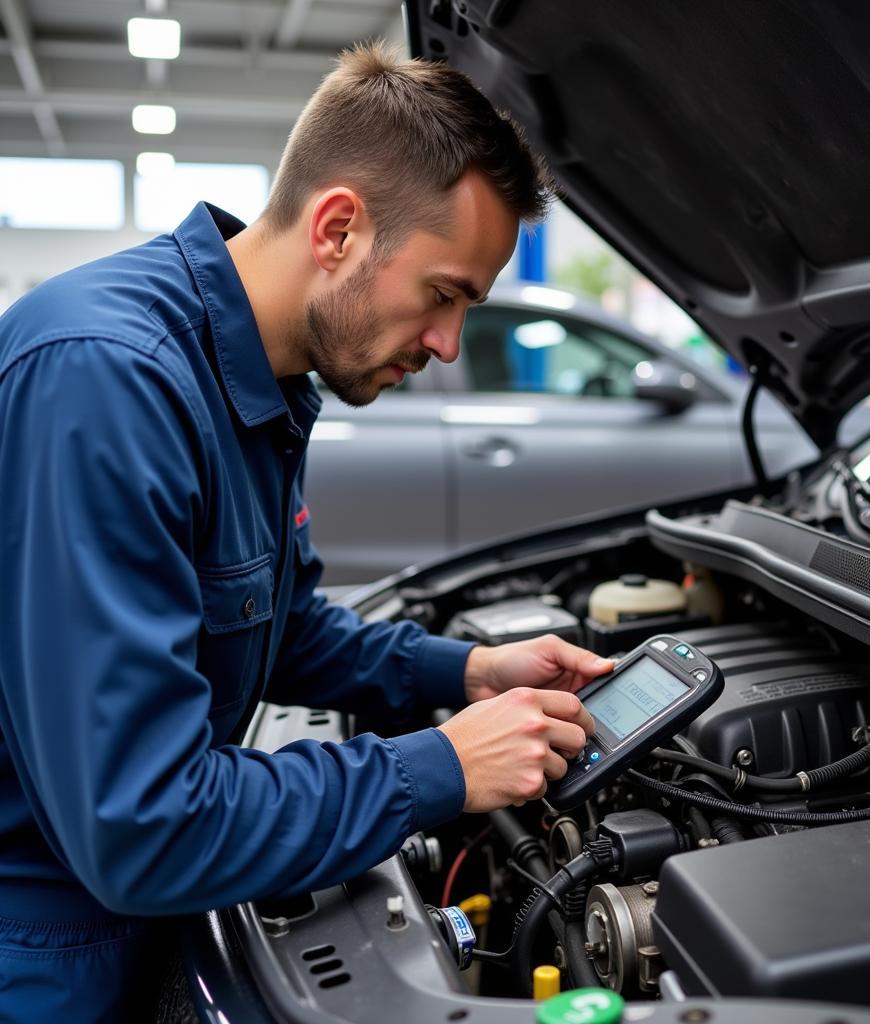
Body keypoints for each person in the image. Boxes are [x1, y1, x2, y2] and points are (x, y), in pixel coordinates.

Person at [0, 42, 612, 1021]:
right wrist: (439, 767)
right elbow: (141, 826)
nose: (449, 344)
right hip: (41, 952)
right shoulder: (109, 382)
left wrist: (464, 672)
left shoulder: (258, 380)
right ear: (338, 229)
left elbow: (278, 626)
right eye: (445, 293)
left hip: (120, 919)